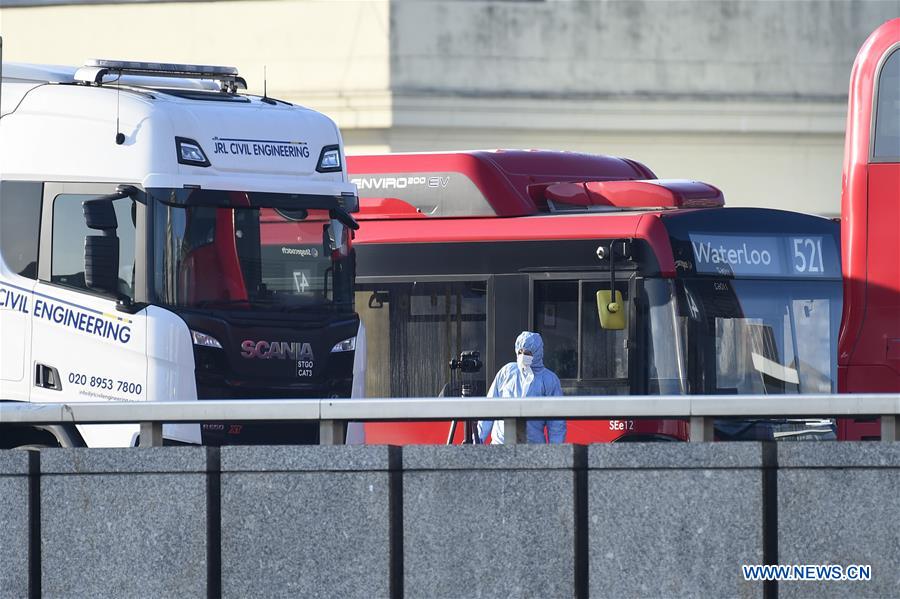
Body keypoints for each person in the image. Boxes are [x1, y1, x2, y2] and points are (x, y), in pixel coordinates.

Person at [478, 331, 565, 444]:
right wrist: (477, 440)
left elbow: (556, 424)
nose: (523, 356)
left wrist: (556, 452)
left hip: (532, 449)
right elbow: (489, 408)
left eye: (528, 353)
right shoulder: (507, 372)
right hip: (500, 445)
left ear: (537, 353)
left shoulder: (549, 380)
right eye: (520, 351)